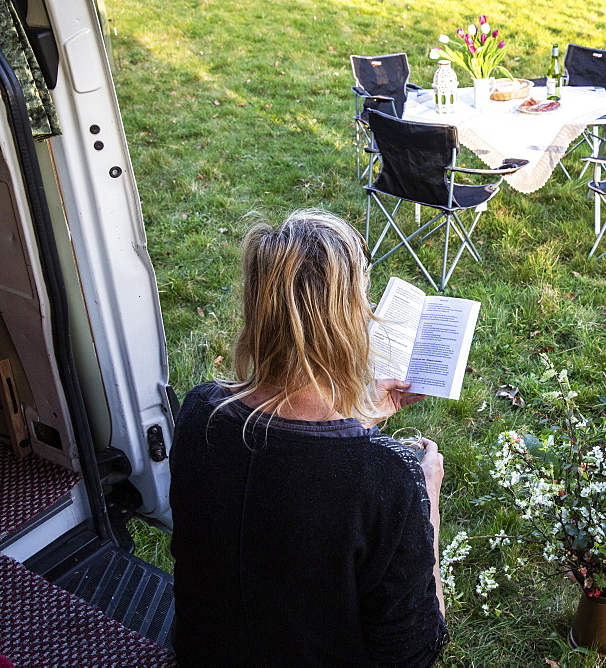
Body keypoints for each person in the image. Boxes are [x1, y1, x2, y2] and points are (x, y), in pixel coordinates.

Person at [169, 209, 448, 666]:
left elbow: (279, 476)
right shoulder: (387, 479)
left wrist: (359, 418)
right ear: (350, 319)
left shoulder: (200, 411)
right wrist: (427, 501)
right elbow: (414, 651)